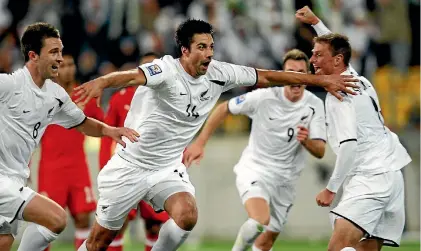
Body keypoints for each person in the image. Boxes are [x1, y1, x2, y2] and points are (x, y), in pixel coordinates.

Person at [74, 19, 358, 251]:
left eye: (211, 46)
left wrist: (321, 81)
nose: (209, 53)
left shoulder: (220, 73)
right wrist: (101, 82)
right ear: (184, 50)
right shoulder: (165, 70)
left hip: (166, 168)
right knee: (99, 242)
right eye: (202, 47)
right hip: (131, 166)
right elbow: (132, 76)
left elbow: (270, 77)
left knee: (187, 216)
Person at [0, 22, 139, 251]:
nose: (60, 59)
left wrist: (108, 130)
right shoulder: (9, 85)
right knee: (56, 219)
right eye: (53, 52)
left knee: (4, 241)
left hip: (17, 178)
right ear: (33, 55)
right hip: (3, 179)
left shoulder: (55, 95)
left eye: (61, 52)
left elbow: (82, 123)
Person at [183, 49, 327, 251]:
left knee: (265, 243)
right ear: (283, 75)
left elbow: (320, 150)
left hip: (286, 182)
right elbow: (224, 108)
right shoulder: (264, 97)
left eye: (301, 72)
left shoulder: (314, 105)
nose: (296, 77)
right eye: (291, 72)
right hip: (256, 169)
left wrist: (307, 142)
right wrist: (200, 142)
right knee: (260, 220)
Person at [296, 6, 412, 251]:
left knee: (337, 248)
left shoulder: (341, 95)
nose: (312, 60)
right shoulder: (355, 77)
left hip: (370, 178)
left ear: (337, 60)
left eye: (317, 55)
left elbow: (349, 145)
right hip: (391, 173)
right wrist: (316, 22)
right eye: (312, 54)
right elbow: (336, 48)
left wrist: (331, 189)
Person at [99, 52, 169, 251]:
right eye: (145, 67)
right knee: (116, 226)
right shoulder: (120, 99)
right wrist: (105, 168)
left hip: (157, 172)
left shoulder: (169, 98)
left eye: (154, 67)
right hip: (126, 172)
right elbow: (107, 138)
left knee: (155, 226)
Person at [37, 51, 104, 251]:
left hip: (77, 167)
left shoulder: (85, 95)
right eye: (62, 65)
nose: (67, 69)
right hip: (51, 168)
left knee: (83, 218)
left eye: (71, 64)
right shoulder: (43, 96)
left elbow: (102, 126)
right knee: (47, 222)